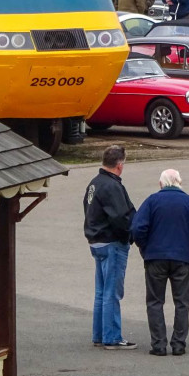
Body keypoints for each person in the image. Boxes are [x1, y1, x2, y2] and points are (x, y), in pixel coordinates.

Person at [131, 169, 189, 357]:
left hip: (155, 257)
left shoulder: (152, 201)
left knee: (155, 301)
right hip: (183, 258)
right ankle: (178, 344)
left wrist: (145, 248)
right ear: (179, 182)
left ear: (161, 184)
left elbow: (137, 227)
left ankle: (158, 345)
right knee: (182, 302)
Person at [83, 146, 137, 350]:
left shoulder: (94, 183)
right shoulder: (112, 186)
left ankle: (99, 335)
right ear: (120, 165)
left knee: (101, 292)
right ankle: (112, 337)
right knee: (112, 293)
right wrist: (129, 236)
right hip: (112, 242)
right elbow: (121, 217)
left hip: (96, 241)